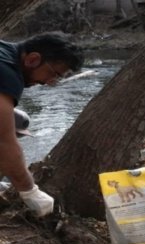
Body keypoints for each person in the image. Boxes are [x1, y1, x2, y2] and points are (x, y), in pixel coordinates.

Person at [0, 33, 84, 216]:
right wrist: (30, 191)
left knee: (17, 120)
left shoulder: (4, 50)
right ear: (33, 59)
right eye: (53, 74)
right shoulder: (6, 72)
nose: (48, 83)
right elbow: (3, 142)